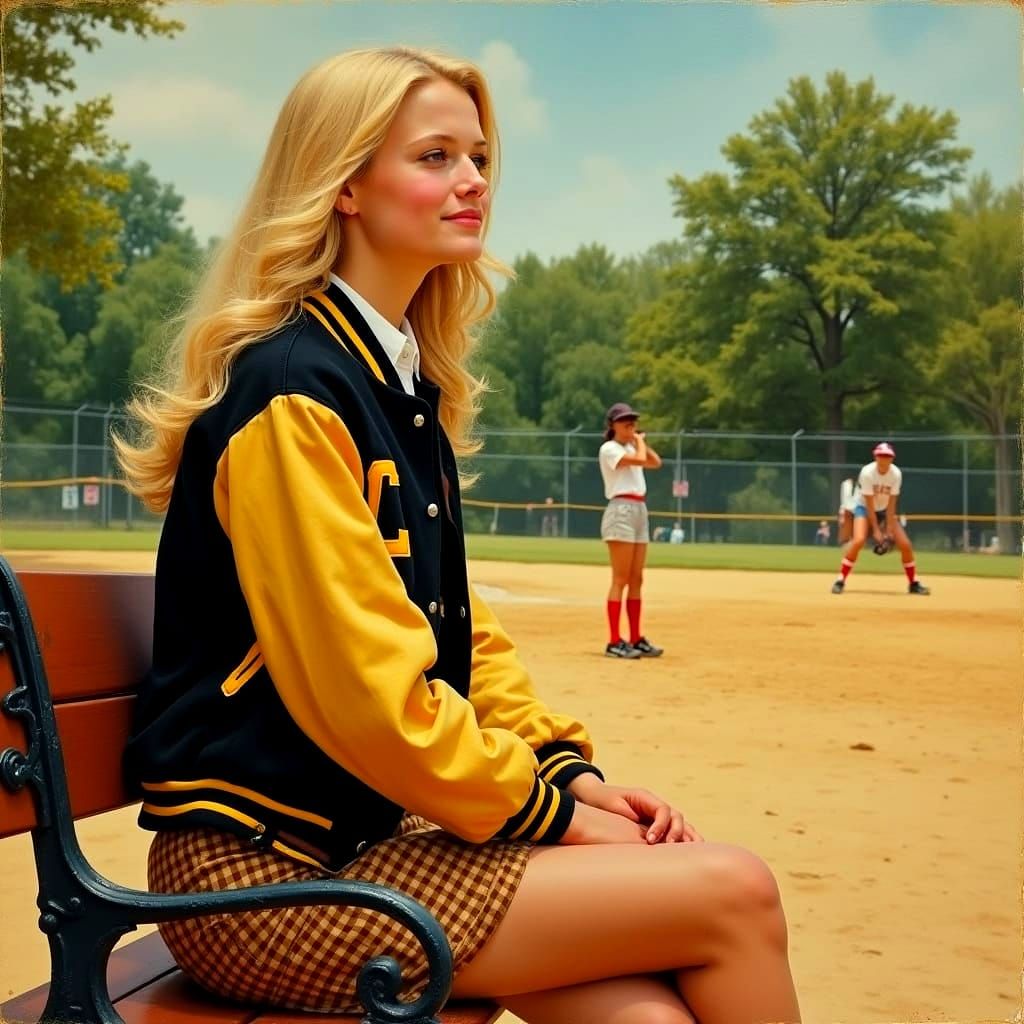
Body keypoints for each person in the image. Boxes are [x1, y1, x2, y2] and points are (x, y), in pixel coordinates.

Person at [114, 47, 800, 1024]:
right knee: (733, 891)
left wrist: (572, 774)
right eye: (434, 156)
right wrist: (550, 817)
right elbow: (372, 699)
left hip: (363, 850)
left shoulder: (396, 386)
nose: (472, 179)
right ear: (344, 184)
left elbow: (458, 644)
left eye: (476, 156)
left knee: (637, 1011)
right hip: (257, 882)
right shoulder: (291, 393)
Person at [598, 404, 665, 660]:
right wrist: (638, 442)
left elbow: (655, 462)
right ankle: (614, 641)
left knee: (637, 579)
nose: (630, 426)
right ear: (612, 425)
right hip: (621, 510)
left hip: (639, 508)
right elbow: (639, 460)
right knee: (620, 579)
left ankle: (636, 637)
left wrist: (637, 442)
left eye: (633, 422)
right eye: (625, 422)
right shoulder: (610, 449)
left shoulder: (630, 447)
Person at [831, 442, 930, 595]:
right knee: (858, 541)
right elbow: (869, 505)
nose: (884, 459)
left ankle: (913, 583)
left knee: (905, 544)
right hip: (864, 508)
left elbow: (892, 503)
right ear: (875, 456)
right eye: (881, 455)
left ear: (892, 458)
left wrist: (889, 529)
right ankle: (840, 580)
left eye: (888, 456)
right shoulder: (867, 472)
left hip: (884, 510)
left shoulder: (895, 474)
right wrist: (877, 531)